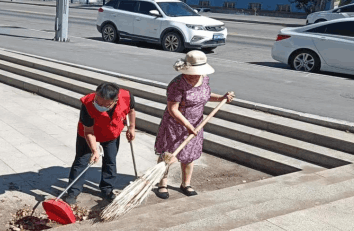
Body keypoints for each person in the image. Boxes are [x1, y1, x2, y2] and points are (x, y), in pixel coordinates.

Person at [154, 51, 234, 199]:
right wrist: (187, 125)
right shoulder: (176, 84)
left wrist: (222, 98)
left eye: (197, 72)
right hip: (176, 124)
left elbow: (206, 95)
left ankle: (186, 184)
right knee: (169, 155)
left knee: (189, 156)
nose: (194, 75)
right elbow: (173, 109)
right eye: (191, 73)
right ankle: (162, 184)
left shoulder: (204, 79)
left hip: (197, 122)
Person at [65, 82, 136, 204]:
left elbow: (131, 111)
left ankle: (107, 189)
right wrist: (94, 150)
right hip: (88, 133)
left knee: (110, 161)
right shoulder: (88, 104)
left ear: (115, 100)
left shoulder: (127, 97)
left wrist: (132, 128)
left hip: (111, 132)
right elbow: (88, 131)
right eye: (98, 101)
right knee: (81, 161)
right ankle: (73, 191)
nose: (100, 105)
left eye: (105, 104)